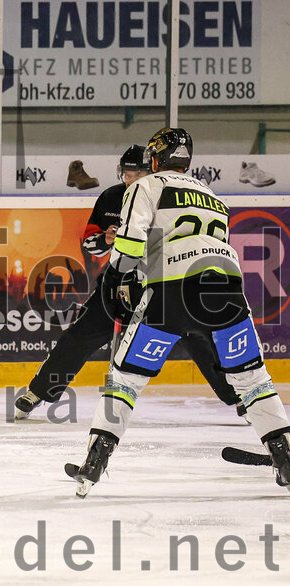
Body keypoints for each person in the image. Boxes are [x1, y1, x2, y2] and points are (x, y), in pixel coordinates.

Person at [69, 128, 290, 496]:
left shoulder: (146, 185)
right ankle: (284, 456)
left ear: (155, 157)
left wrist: (120, 277)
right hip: (228, 292)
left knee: (126, 380)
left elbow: (130, 242)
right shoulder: (212, 195)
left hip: (172, 289)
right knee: (254, 381)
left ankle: (97, 458)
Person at [15, 145, 244, 420]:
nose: (132, 179)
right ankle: (40, 391)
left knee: (196, 335)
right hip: (119, 277)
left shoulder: (163, 194)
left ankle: (239, 395)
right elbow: (91, 243)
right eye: (127, 173)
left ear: (153, 170)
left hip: (163, 279)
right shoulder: (112, 197)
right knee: (83, 332)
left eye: (139, 172)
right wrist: (106, 240)